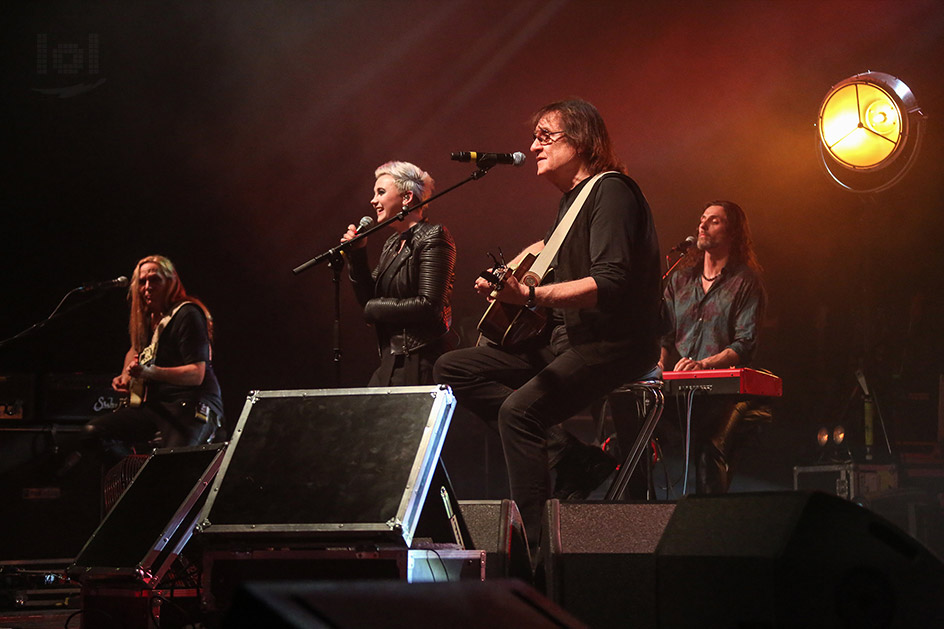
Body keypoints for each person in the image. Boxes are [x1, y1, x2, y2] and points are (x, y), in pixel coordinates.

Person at [433, 99, 663, 550]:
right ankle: (571, 457)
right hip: (568, 340)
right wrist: (511, 282)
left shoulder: (612, 191)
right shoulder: (569, 204)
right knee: (452, 369)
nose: (533, 145)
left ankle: (537, 552)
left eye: (545, 135)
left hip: (612, 342)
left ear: (578, 141)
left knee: (519, 412)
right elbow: (554, 262)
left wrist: (531, 295)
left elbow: (609, 281)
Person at [660, 200, 769, 493]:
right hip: (679, 386)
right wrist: (658, 366)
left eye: (714, 221)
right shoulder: (679, 279)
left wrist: (704, 365)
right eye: (702, 219)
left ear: (733, 233)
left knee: (709, 448)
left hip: (728, 392)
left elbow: (745, 343)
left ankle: (710, 525)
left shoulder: (746, 281)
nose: (703, 225)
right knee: (632, 433)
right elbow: (665, 336)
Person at [78, 255, 223, 466]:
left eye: (155, 280)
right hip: (157, 405)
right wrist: (125, 375)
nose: (148, 287)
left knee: (174, 465)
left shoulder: (187, 314)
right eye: (142, 281)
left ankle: (153, 480)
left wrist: (149, 373)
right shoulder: (148, 319)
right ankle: (139, 477)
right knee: (92, 434)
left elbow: (196, 374)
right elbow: (136, 349)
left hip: (190, 404)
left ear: (171, 282)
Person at [341, 161, 456, 386]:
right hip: (392, 357)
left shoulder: (435, 236)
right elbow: (367, 298)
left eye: (381, 192)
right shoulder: (392, 243)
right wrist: (357, 254)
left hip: (420, 358)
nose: (373, 200)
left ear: (406, 198)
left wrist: (373, 309)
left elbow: (430, 305)